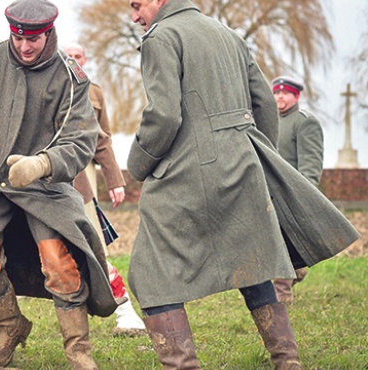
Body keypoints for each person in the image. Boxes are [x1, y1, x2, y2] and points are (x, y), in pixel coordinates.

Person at [125, 0, 358, 369]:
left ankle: (183, 365)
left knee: (149, 272)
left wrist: (137, 164)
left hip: (187, 170)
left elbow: (164, 115)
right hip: (242, 164)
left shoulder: (162, 36)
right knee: (253, 261)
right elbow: (264, 101)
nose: (135, 16)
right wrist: (252, 154)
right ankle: (288, 361)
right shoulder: (227, 34)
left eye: (137, 5)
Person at [0, 0, 118, 368]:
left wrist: (42, 163)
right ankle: (10, 327)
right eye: (18, 39)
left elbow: (79, 142)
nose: (25, 47)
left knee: (58, 262)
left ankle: (78, 351)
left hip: (45, 186)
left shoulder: (71, 76)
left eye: (34, 40)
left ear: (48, 34)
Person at [64, 43, 146, 337]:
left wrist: (114, 180)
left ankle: (125, 312)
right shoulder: (50, 84)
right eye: (69, 56)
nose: (73, 60)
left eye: (78, 57)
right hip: (37, 178)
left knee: (94, 244)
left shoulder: (94, 92)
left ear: (85, 60)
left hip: (82, 176)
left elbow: (103, 138)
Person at [272, 76, 324, 304]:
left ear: (296, 96)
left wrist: (304, 195)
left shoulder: (305, 122)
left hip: (291, 195)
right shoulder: (271, 121)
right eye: (277, 93)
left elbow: (310, 165)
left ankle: (282, 295)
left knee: (283, 241)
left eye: (285, 93)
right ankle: (298, 267)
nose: (280, 97)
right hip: (270, 193)